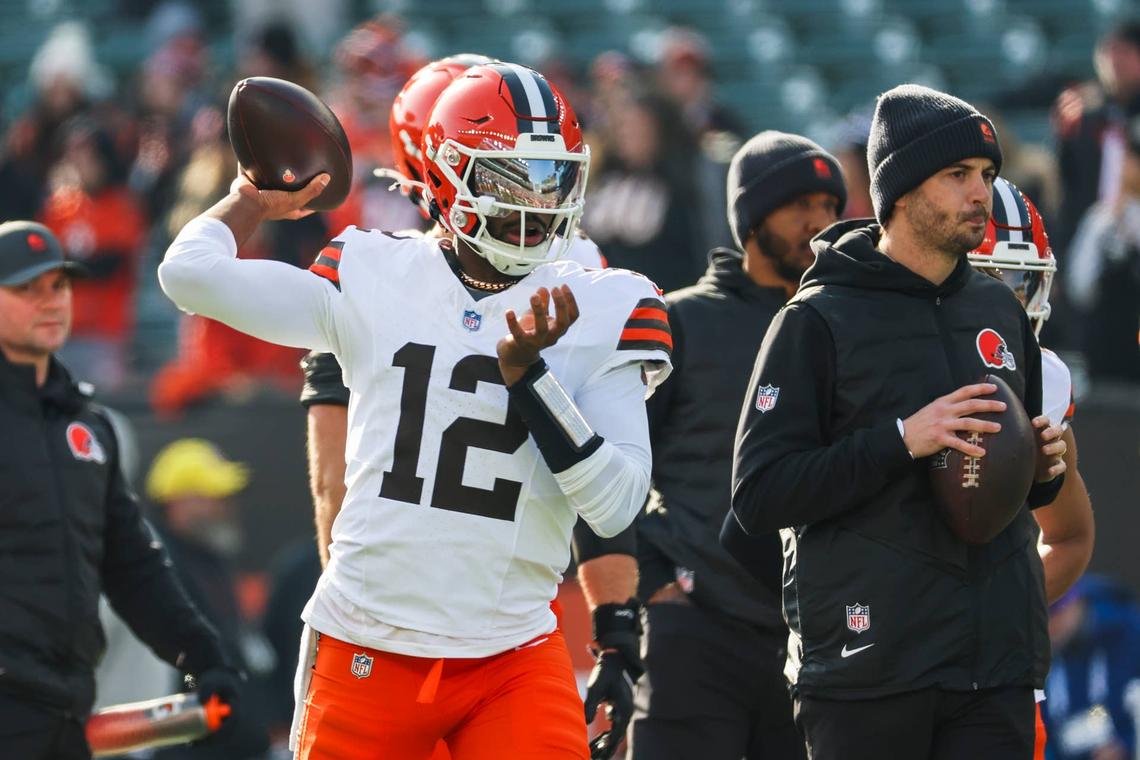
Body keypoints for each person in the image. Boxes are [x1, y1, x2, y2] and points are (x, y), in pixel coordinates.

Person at [159, 63, 670, 760]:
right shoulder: (374, 270)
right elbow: (187, 275)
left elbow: (616, 505)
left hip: (513, 649)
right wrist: (251, 202)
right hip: (369, 638)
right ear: (448, 175)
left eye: (551, 177)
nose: (538, 201)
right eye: (510, 178)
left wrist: (531, 381)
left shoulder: (604, 298)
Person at [730, 84, 1067, 760]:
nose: (982, 193)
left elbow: (1009, 493)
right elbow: (759, 494)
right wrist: (900, 441)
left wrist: (1042, 466)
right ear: (904, 190)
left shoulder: (1001, 310)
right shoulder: (816, 318)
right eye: (959, 175)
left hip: (993, 670)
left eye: (988, 175)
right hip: (868, 673)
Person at [583, 131, 846, 760]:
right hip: (695, 631)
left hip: (809, 642)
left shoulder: (841, 326)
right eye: (801, 206)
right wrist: (656, 587)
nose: (821, 224)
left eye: (832, 208)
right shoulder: (678, 320)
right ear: (752, 218)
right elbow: (609, 466)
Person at [0, 220, 240, 760]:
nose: (50, 301)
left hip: (66, 709)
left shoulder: (89, 428)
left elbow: (131, 562)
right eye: (25, 289)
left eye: (58, 285)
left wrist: (203, 656)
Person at [1042, 576, 1140, 760]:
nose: (1050, 626)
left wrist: (1126, 743)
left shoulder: (1129, 633)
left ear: (1077, 600)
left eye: (1056, 611)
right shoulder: (1038, 653)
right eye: (1042, 617)